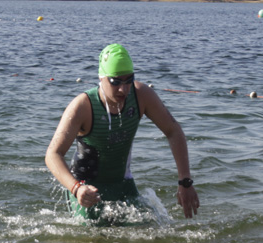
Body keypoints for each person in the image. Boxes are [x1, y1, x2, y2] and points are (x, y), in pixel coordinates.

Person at [45, 43, 199, 225]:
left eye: (128, 80)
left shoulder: (141, 96)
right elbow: (53, 154)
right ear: (101, 78)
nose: (123, 89)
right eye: (116, 82)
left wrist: (185, 182)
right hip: (87, 188)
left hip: (123, 183)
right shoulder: (83, 106)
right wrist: (76, 188)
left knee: (152, 233)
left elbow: (173, 131)